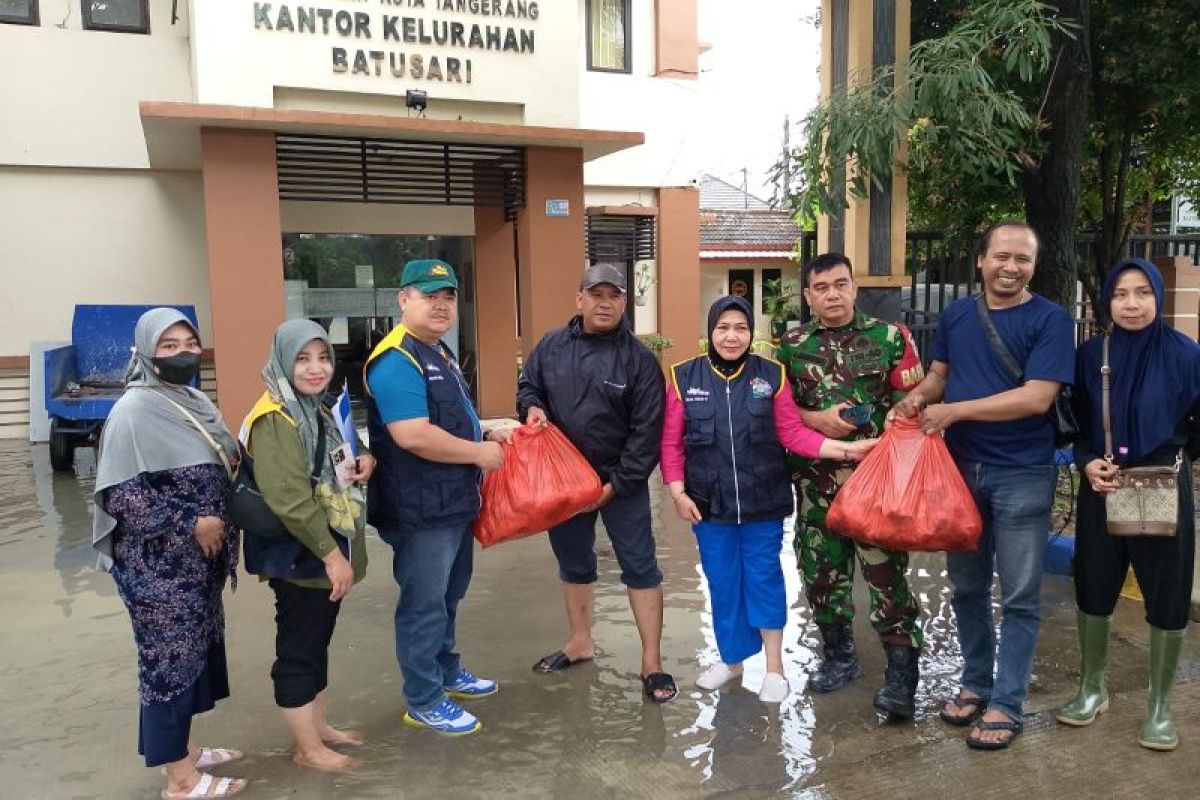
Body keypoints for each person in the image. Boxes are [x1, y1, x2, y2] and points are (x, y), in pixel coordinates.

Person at [892, 220, 1075, 750]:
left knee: (1018, 594)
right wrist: (918, 399)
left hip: (1023, 472)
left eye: (1022, 259)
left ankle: (1007, 702)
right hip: (959, 472)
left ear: (1034, 266)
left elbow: (1036, 398)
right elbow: (940, 375)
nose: (1010, 267)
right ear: (982, 260)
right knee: (967, 586)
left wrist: (951, 412)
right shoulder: (957, 315)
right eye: (1002, 256)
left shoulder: (1052, 320)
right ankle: (977, 681)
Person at [662, 295, 877, 702]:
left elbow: (792, 433)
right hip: (708, 504)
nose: (731, 336)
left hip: (764, 503)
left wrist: (846, 450)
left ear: (751, 333)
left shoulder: (772, 376)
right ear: (710, 331)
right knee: (723, 583)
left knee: (763, 579)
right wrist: (676, 491)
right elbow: (670, 443)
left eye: (740, 328)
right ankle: (731, 662)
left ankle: (775, 670)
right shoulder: (682, 377)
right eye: (723, 328)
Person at [92, 308, 246, 799]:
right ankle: (181, 781)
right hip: (159, 571)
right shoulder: (133, 412)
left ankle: (185, 750)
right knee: (167, 666)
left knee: (191, 656)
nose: (184, 353)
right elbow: (122, 497)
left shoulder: (192, 399)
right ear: (146, 354)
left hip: (198, 566)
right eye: (169, 346)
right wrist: (191, 522)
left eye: (190, 343)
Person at [1055, 259, 1200, 750]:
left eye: (1142, 293)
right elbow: (1069, 415)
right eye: (1121, 294)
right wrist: (1085, 460)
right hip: (1105, 485)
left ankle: (1159, 706)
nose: (1132, 304)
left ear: (1158, 297)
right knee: (1094, 583)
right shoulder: (1091, 354)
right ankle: (1092, 688)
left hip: (1161, 485)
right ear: (1107, 302)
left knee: (1168, 589)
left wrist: (1172, 458)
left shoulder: (1185, 353)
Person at [776, 253, 927, 718]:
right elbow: (776, 412)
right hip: (818, 486)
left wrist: (885, 423)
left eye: (841, 284)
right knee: (821, 574)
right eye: (822, 288)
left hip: (877, 487)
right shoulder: (791, 345)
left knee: (886, 577)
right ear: (808, 296)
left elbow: (914, 404)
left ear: (855, 288)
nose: (833, 295)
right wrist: (815, 419)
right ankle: (839, 656)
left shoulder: (889, 338)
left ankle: (902, 675)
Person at [517, 262, 676, 703]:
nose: (605, 303)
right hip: (564, 483)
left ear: (624, 302)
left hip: (619, 483)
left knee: (641, 567)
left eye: (614, 296)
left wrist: (615, 486)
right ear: (579, 299)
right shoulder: (551, 346)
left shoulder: (640, 360)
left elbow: (647, 434)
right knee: (574, 565)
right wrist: (531, 407)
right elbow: (528, 385)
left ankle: (651, 662)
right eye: (596, 294)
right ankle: (580, 641)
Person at [365, 259, 508, 736]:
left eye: (447, 296)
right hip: (421, 509)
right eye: (430, 296)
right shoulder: (396, 359)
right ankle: (424, 698)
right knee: (424, 604)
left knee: (449, 594)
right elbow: (413, 436)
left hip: (450, 502)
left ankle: (447, 672)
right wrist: (479, 453)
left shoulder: (437, 352)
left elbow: (447, 417)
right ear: (404, 300)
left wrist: (487, 429)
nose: (441, 304)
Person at [241, 319, 374, 770]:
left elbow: (329, 464)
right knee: (298, 649)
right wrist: (333, 557)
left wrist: (361, 464)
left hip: (319, 550)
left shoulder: (312, 407)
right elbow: (290, 500)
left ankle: (319, 727)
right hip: (301, 554)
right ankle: (307, 749)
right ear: (282, 360)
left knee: (318, 640)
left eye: (322, 357)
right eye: (302, 358)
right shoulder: (274, 417)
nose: (316, 368)